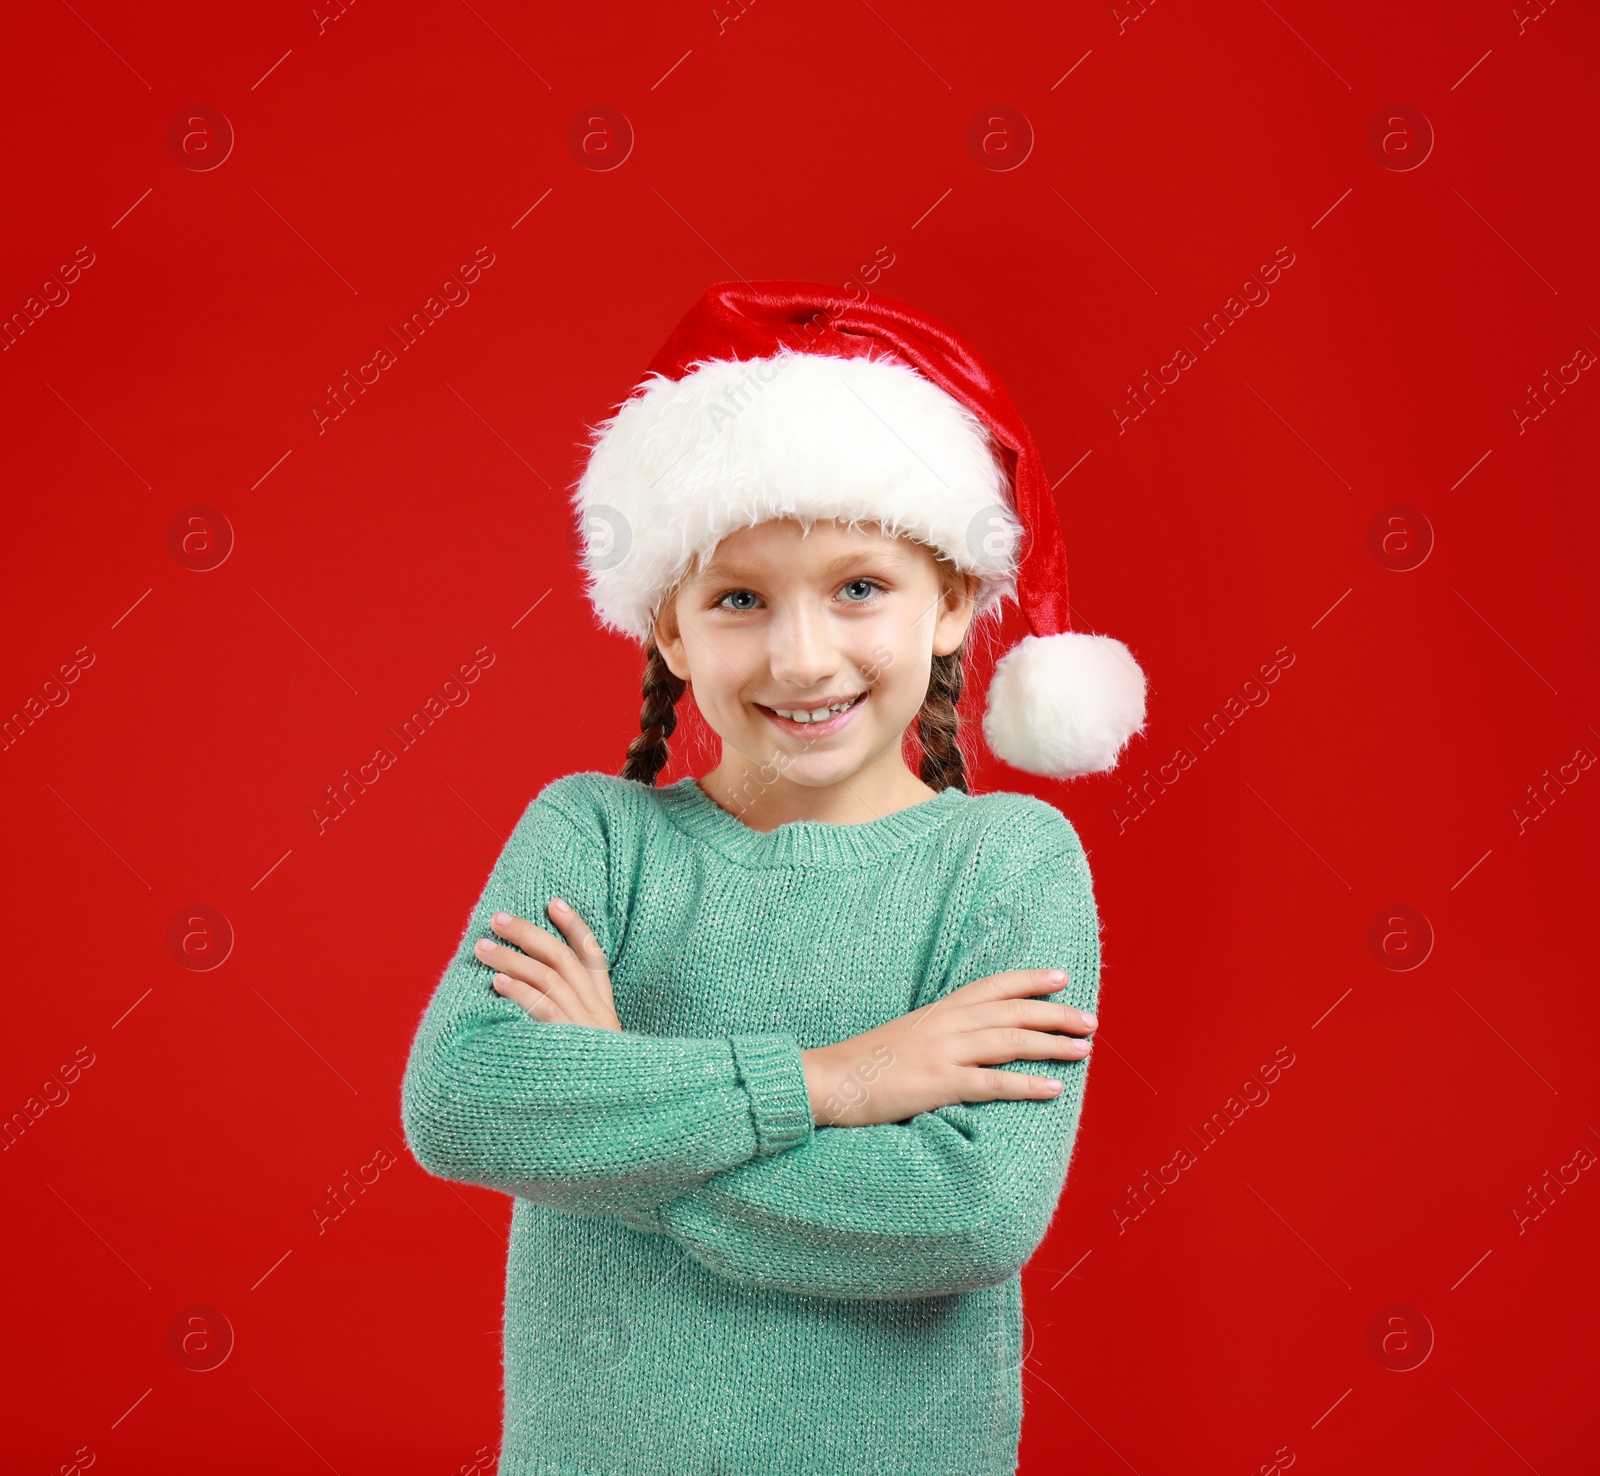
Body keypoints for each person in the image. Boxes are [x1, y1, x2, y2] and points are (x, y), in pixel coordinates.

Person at [400, 281, 1147, 1476]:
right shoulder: (592, 836)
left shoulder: (1005, 862)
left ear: (951, 602)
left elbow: (965, 1211)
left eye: (859, 586)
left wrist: (616, 1132)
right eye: (739, 599)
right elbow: (463, 1102)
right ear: (671, 631)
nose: (803, 657)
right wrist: (842, 1080)